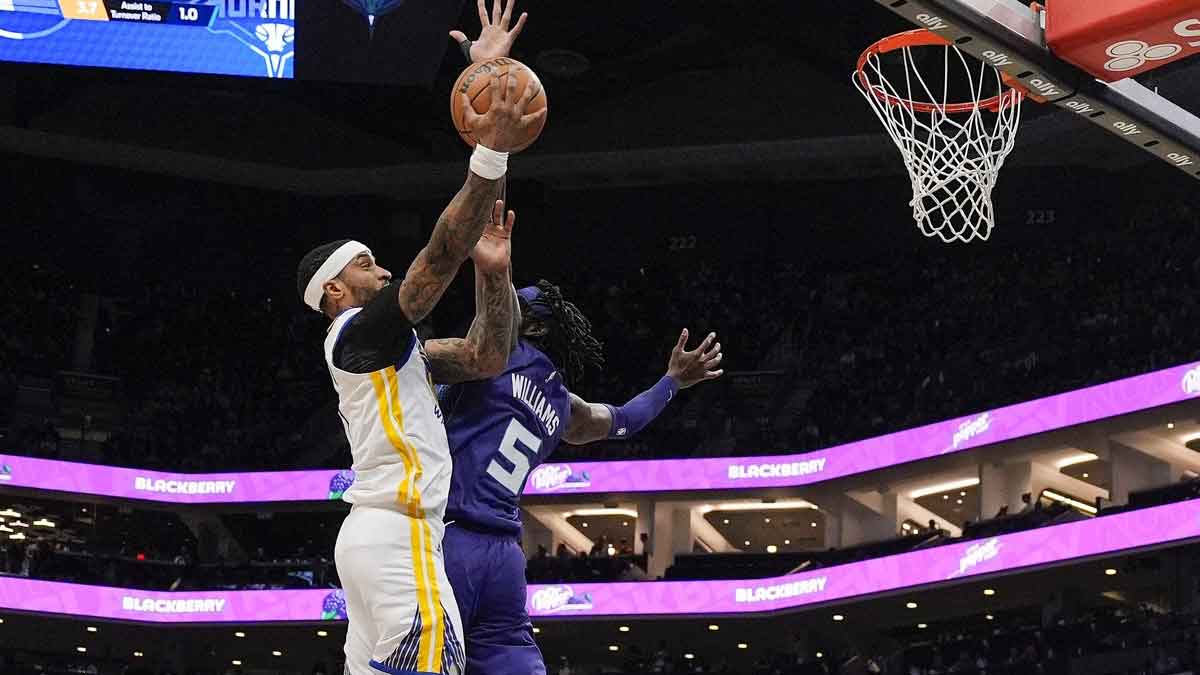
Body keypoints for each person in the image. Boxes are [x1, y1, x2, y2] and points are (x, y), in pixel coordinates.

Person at [298, 64, 543, 675]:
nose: (381, 274)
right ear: (334, 291)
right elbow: (435, 260)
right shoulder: (355, 333)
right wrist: (490, 150)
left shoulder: (391, 359)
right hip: (397, 536)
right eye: (367, 266)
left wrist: (493, 271)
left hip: (383, 539)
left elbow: (487, 356)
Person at [440, 280, 722, 675]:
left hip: (450, 537)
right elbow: (625, 420)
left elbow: (484, 307)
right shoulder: (562, 402)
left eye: (515, 306)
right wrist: (671, 383)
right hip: (504, 556)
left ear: (534, 327)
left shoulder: (491, 355)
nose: (502, 310)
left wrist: (492, 264)